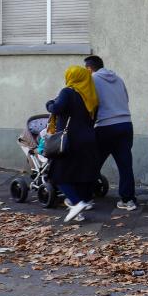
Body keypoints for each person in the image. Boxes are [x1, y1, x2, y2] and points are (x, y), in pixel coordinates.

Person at [45, 66, 101, 223]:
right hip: (89, 138)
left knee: (57, 174)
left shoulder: (68, 92)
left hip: (70, 140)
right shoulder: (92, 96)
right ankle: (79, 210)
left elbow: (57, 108)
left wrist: (49, 103)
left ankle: (76, 203)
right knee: (81, 175)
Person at [84, 55, 137, 211]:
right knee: (125, 165)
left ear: (89, 68)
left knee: (93, 163)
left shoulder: (92, 79)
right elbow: (126, 99)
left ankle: (85, 199)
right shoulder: (118, 79)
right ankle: (128, 200)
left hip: (105, 126)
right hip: (126, 124)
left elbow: (90, 103)